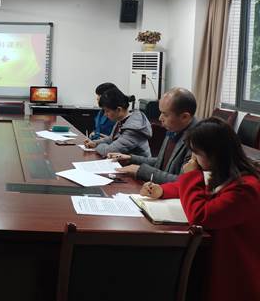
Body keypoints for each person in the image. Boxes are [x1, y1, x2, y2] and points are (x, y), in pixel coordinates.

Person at [140, 117, 260, 301]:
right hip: (213, 256)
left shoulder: (246, 188)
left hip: (235, 271)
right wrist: (162, 190)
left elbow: (201, 215)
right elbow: (198, 190)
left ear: (214, 154)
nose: (193, 160)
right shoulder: (222, 172)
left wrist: (191, 174)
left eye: (196, 154)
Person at [108, 87, 197, 183]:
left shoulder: (197, 140)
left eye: (165, 114)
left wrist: (141, 171)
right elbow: (161, 162)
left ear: (184, 117)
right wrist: (131, 159)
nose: (160, 118)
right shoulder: (175, 127)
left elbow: (182, 182)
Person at [84, 88, 151, 157]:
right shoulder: (121, 120)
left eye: (107, 111)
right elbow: (111, 138)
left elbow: (109, 151)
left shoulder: (133, 128)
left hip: (135, 163)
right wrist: (95, 143)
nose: (105, 114)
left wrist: (97, 146)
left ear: (118, 110)